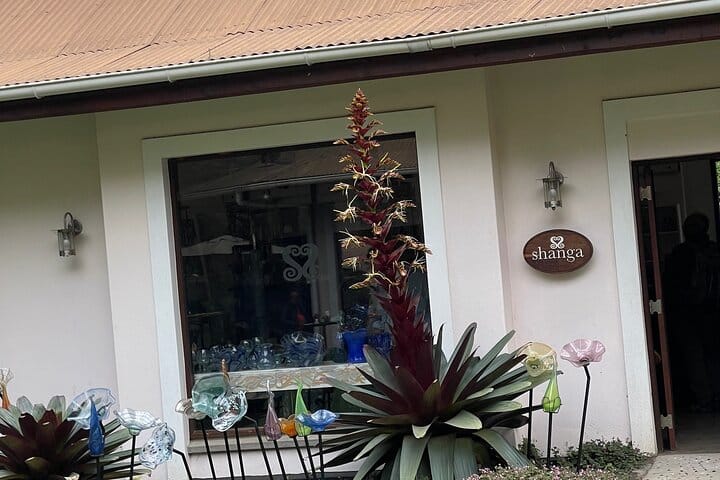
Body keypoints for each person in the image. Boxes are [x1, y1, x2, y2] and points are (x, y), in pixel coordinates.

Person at [665, 213, 720, 412]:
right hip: (712, 311)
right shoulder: (715, 250)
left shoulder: (680, 253)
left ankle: (705, 400)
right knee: (713, 356)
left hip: (687, 313)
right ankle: (714, 398)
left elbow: (669, 286)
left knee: (694, 358)